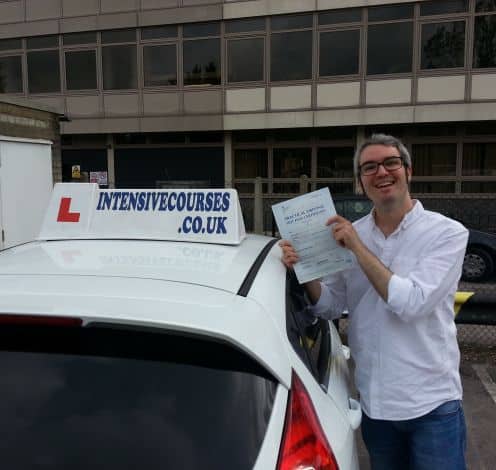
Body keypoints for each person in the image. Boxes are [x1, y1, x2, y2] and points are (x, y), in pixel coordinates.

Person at [280, 133, 468, 470]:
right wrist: (304, 270)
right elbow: (332, 306)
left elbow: (412, 303)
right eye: (369, 167)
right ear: (361, 181)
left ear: (408, 171)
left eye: (390, 162)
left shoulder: (447, 233)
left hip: (432, 406)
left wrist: (356, 246)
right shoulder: (353, 234)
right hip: (376, 406)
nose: (381, 172)